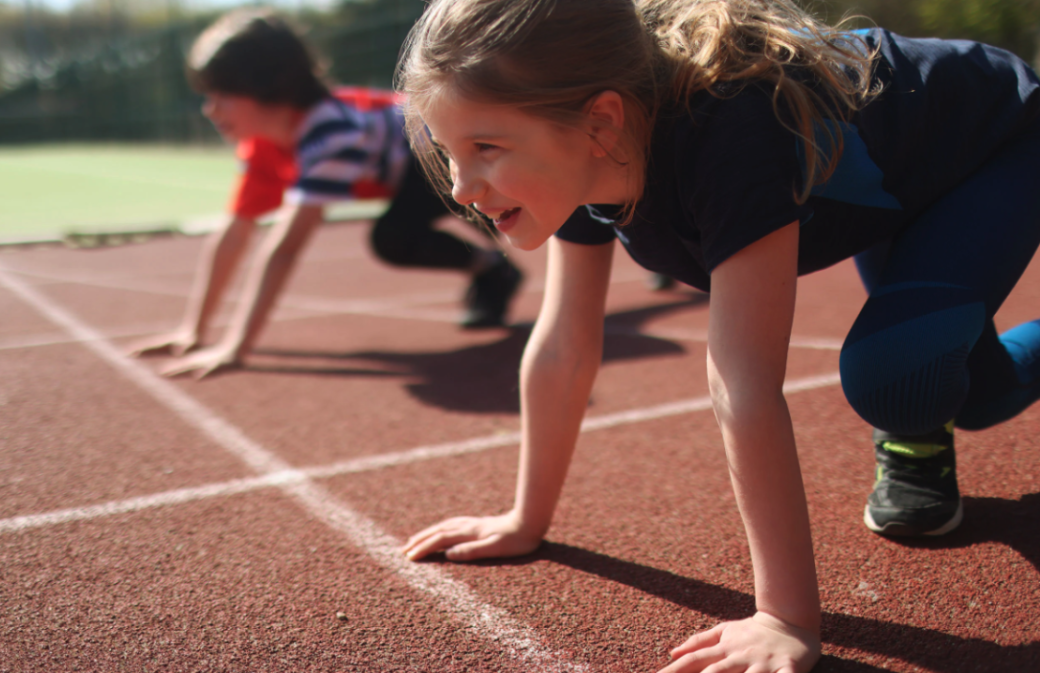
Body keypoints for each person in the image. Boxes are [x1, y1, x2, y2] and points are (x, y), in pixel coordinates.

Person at [394, 0, 1040, 671]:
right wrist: (524, 519)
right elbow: (563, 346)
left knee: (898, 379)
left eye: (486, 149)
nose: (463, 189)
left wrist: (785, 616)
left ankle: (915, 419)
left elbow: (743, 382)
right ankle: (930, 408)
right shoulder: (582, 156)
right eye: (448, 153)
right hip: (901, 174)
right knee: (976, 392)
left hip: (994, 141)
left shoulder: (728, 129)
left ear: (600, 121)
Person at [129, 9, 522, 377]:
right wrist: (194, 331)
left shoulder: (327, 133)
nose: (209, 110)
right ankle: (494, 268)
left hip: (433, 149)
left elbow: (284, 249)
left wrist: (236, 347)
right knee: (412, 232)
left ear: (266, 87)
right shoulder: (262, 144)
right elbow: (234, 234)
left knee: (398, 236)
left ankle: (496, 266)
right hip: (405, 167)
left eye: (221, 95)